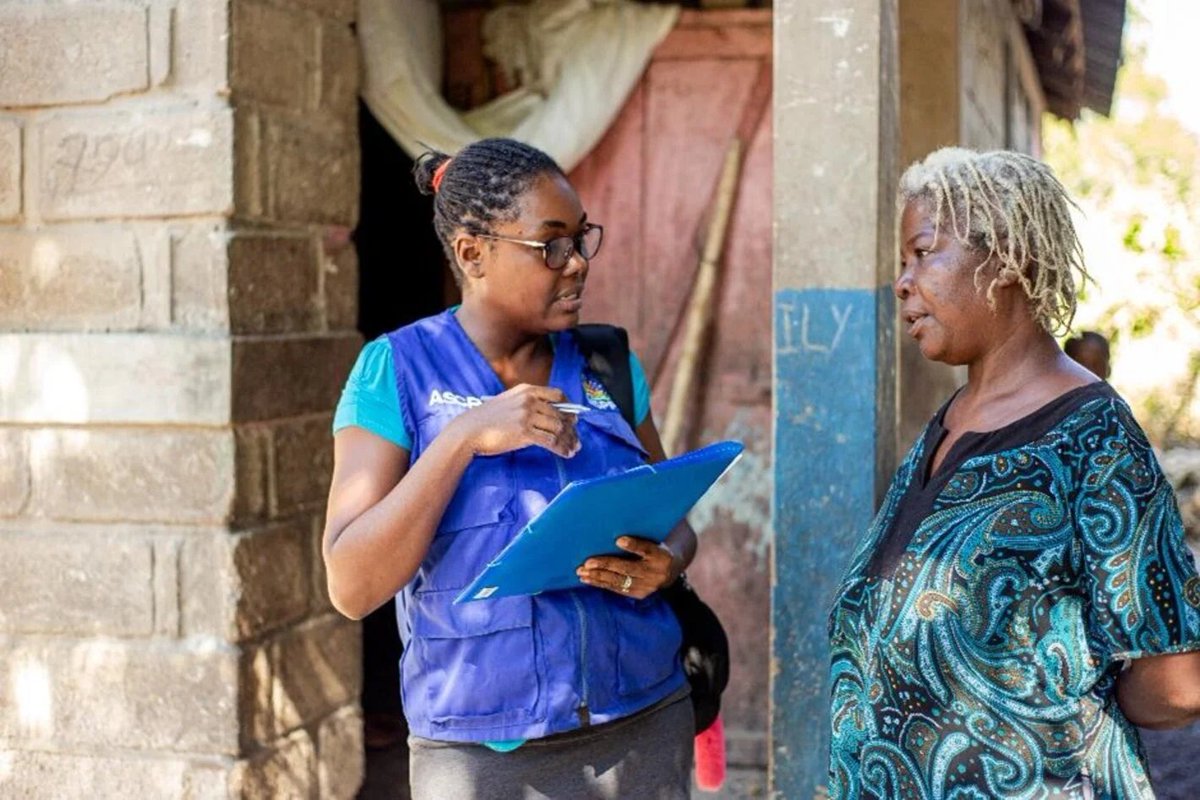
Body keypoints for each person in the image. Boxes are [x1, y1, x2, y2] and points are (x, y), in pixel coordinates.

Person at [323, 138, 696, 799]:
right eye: (550, 245)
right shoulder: (398, 372)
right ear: (472, 253)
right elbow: (351, 585)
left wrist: (667, 559)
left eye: (582, 239)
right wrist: (462, 436)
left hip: (643, 723)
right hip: (484, 752)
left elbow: (674, 521)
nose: (577, 263)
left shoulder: (608, 363)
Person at [828, 147, 1200, 799]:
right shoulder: (950, 425)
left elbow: (1178, 679)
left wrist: (1051, 700)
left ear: (1005, 257)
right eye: (902, 263)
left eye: (923, 252)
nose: (903, 282)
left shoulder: (1092, 438)